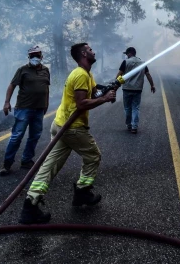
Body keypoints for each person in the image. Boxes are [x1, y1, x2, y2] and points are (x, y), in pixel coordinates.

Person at [19, 43, 116, 224]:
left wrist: (107, 89)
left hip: (60, 125)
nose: (93, 50)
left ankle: (30, 205)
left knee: (50, 165)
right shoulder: (80, 74)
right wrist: (105, 98)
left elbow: (93, 91)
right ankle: (82, 191)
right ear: (83, 53)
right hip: (72, 128)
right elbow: (81, 104)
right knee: (93, 155)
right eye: (90, 49)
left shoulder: (86, 73)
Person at [0, 46, 50, 176]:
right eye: (32, 55)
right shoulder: (22, 70)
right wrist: (6, 102)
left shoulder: (45, 70)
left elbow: (46, 88)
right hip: (24, 108)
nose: (35, 58)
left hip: (39, 109)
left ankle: (26, 160)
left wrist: (46, 104)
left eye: (37, 55)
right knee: (17, 136)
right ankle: (7, 164)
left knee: (35, 136)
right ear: (28, 57)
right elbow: (12, 85)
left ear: (41, 56)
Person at [116, 47, 155, 134]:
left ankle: (129, 125)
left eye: (127, 54)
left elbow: (119, 74)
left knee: (127, 107)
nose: (126, 55)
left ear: (130, 53)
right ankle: (134, 126)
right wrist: (152, 85)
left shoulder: (126, 62)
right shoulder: (142, 63)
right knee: (135, 108)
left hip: (126, 88)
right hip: (137, 89)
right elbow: (148, 74)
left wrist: (115, 86)